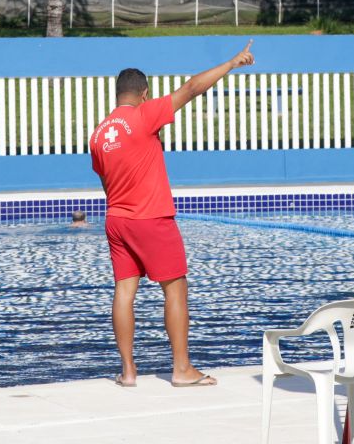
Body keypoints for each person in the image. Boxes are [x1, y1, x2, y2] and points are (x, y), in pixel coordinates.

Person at [90, 40, 255, 389]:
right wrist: (232, 62)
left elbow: (106, 181)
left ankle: (128, 371)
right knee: (175, 289)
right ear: (143, 93)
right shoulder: (143, 115)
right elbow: (192, 88)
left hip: (116, 220)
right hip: (150, 217)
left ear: (117, 94)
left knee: (124, 291)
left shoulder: (99, 134)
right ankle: (181, 368)